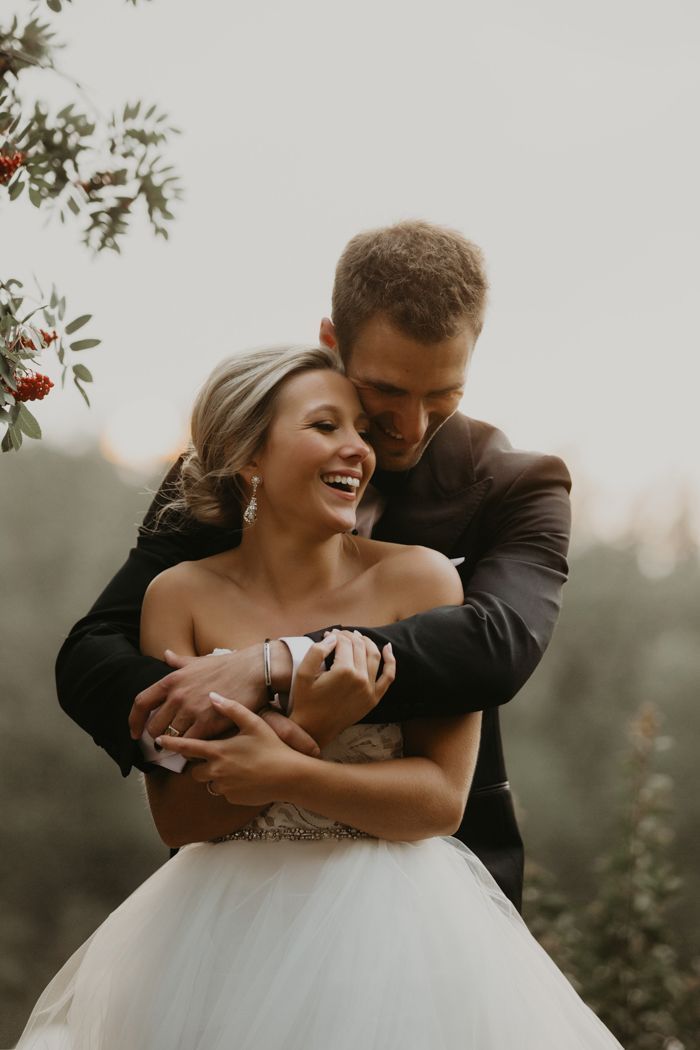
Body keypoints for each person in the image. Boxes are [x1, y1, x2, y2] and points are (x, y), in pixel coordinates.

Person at [15, 347, 622, 1050]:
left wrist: (289, 766)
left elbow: (440, 801)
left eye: (360, 429)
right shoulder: (176, 596)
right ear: (249, 457)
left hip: (396, 931)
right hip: (215, 938)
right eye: (326, 425)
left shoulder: (421, 582)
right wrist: (307, 723)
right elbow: (180, 821)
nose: (359, 449)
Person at [55, 220, 572, 909]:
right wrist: (203, 725)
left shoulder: (520, 486)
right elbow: (94, 653)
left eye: (442, 394)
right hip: (230, 885)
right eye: (387, 390)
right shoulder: (228, 469)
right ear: (332, 342)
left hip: (429, 888)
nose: (411, 427)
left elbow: (495, 645)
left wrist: (273, 664)